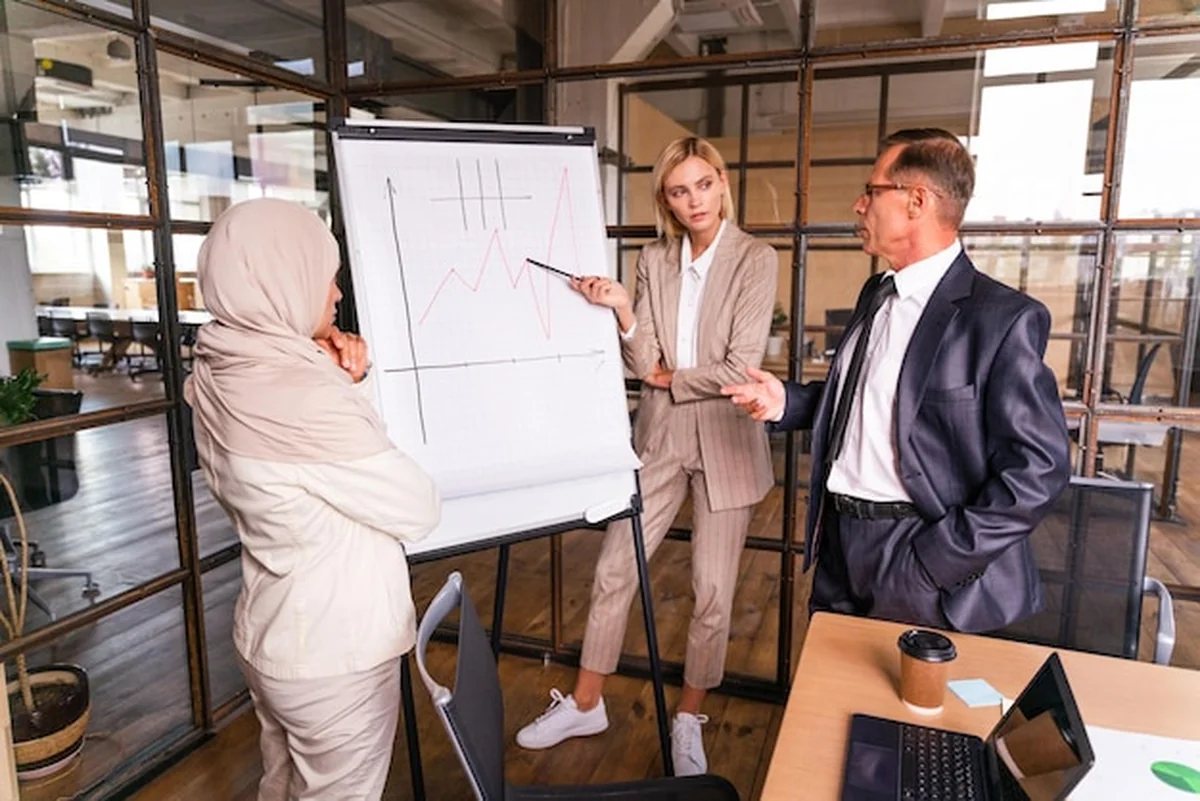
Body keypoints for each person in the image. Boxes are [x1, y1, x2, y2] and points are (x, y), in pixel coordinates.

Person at [722, 128, 1069, 633]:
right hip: (840, 547)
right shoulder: (877, 294)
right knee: (830, 683)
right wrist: (786, 403)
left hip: (922, 558)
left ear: (917, 201)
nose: (859, 205)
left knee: (897, 690)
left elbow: (1038, 470)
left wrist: (934, 562)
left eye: (872, 191)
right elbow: (872, 404)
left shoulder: (1002, 319)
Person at [515, 136, 777, 775]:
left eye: (704, 185)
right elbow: (642, 363)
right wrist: (626, 311)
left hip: (727, 438)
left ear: (722, 182)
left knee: (711, 591)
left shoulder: (755, 258)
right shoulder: (653, 259)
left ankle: (688, 719)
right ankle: (586, 703)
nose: (695, 201)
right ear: (666, 199)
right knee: (613, 571)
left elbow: (740, 366)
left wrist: (671, 376)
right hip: (660, 435)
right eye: (680, 191)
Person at [184, 198, 441, 801]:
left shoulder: (222, 365)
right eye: (326, 276)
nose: (337, 294)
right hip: (335, 655)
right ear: (283, 278)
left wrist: (335, 379)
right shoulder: (303, 396)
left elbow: (316, 471)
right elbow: (417, 508)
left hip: (270, 632)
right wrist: (346, 387)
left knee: (281, 785)